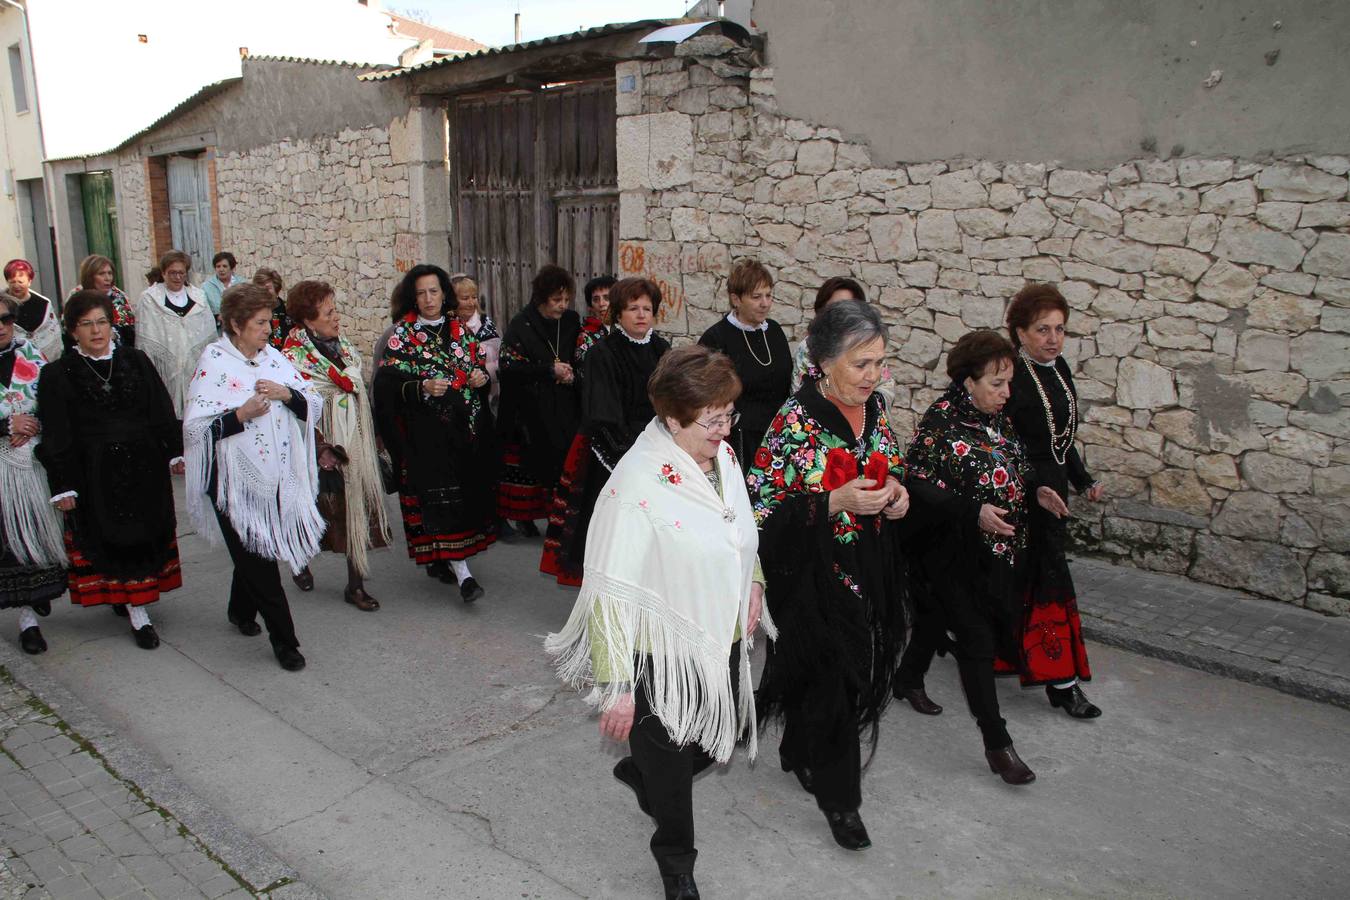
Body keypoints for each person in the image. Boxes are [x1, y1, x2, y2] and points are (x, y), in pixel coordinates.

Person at [545, 345, 771, 900]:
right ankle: (676, 864)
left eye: (729, 414)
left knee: (723, 736)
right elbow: (609, 589)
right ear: (672, 419)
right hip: (658, 649)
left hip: (718, 633)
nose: (725, 429)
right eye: (712, 419)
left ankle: (643, 770)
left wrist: (755, 581)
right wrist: (619, 687)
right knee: (671, 770)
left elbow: (738, 529)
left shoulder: (722, 457)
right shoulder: (637, 486)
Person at [747, 299, 911, 851]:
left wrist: (897, 493)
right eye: (861, 364)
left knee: (823, 674)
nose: (873, 376)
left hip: (867, 567)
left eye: (879, 363)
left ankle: (797, 749)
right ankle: (842, 802)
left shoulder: (876, 408)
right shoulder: (793, 422)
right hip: (810, 577)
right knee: (835, 682)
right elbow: (761, 510)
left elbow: (892, 462)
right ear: (823, 361)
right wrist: (832, 502)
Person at [894, 330, 1040, 785]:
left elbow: (1018, 466)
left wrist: (1039, 490)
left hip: (992, 554)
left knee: (934, 620)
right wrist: (972, 511)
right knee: (976, 640)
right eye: (997, 383)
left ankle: (907, 678)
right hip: (945, 552)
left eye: (1008, 382)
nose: (1006, 392)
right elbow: (917, 481)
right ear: (968, 382)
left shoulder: (997, 419)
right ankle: (998, 744)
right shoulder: (941, 422)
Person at [183, 283, 324, 672]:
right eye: (260, 322)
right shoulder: (214, 362)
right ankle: (286, 642)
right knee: (259, 560)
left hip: (276, 476)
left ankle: (240, 610)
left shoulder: (273, 358)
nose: (268, 329)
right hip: (233, 485)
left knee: (254, 551)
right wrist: (240, 415)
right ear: (235, 324)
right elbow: (195, 431)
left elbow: (313, 403)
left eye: (269, 321)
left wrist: (286, 394)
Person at [36, 291, 185, 650]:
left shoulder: (135, 360)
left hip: (144, 466)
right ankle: (133, 608)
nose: (96, 331)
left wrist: (174, 451)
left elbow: (160, 408)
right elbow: (57, 433)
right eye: (86, 324)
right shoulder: (58, 374)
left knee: (144, 534)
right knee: (110, 538)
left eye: (102, 322)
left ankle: (135, 604)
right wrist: (63, 483)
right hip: (94, 472)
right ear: (72, 331)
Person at [1003, 284, 1105, 718]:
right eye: (1043, 329)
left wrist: (1082, 480)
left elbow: (1061, 439)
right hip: (1021, 491)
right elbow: (1003, 444)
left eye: (1060, 329)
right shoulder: (1009, 375)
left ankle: (1038, 667)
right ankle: (1062, 681)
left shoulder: (1059, 368)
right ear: (1020, 332)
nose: (1053, 338)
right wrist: (1031, 487)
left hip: (1054, 491)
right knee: (1041, 581)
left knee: (1037, 580)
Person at [374, 264, 496, 602]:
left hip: (465, 433)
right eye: (421, 293)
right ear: (413, 298)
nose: (428, 299)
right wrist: (421, 387)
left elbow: (478, 369)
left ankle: (447, 560)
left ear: (444, 293)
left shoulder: (461, 330)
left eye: (433, 291)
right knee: (441, 502)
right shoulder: (402, 335)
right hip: (426, 437)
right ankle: (464, 576)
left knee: (461, 500)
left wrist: (481, 379)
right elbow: (385, 386)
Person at [540, 277, 670, 586]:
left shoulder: (662, 349)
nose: (641, 315)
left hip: (658, 448)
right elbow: (603, 411)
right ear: (618, 313)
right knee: (611, 531)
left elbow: (672, 400)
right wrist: (632, 455)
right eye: (633, 308)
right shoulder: (603, 353)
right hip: (612, 449)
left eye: (647, 308)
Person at [279, 280, 391, 610]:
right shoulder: (291, 359)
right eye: (328, 313)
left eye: (335, 309)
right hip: (317, 443)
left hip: (353, 440)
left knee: (355, 506)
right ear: (308, 320)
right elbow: (292, 408)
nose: (336, 317)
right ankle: (299, 559)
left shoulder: (344, 348)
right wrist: (319, 443)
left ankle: (355, 585)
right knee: (315, 507)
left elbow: (356, 387)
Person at [0, 294, 68, 654]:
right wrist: (5, 425)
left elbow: (54, 405)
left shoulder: (32, 356)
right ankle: (26, 617)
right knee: (9, 544)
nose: (1, 326)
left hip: (32, 464)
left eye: (6, 319)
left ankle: (32, 609)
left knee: (33, 540)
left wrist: (34, 423)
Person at [497, 264, 581, 535]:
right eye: (557, 300)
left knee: (563, 464)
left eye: (566, 299)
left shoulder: (571, 321)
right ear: (542, 298)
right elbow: (509, 367)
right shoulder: (522, 324)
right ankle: (525, 517)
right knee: (528, 468)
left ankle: (560, 519)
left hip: (563, 405)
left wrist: (572, 374)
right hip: (528, 408)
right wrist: (548, 370)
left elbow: (581, 354)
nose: (563, 305)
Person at [698, 259, 792, 471]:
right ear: (736, 299)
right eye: (756, 297)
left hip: (778, 434)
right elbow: (706, 396)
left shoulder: (774, 331)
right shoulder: (716, 338)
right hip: (739, 439)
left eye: (768, 295)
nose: (765, 303)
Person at [135, 250, 215, 420]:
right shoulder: (150, 299)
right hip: (164, 368)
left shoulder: (199, 298)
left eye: (181, 273)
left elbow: (208, 333)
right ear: (163, 272)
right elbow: (146, 338)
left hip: (194, 366)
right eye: (172, 273)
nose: (177, 277)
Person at [451, 274, 501, 416]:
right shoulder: (447, 327)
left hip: (487, 397)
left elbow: (500, 360)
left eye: (474, 297)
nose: (471, 303)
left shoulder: (486, 324)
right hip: (457, 398)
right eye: (465, 298)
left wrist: (484, 376)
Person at [4, 259, 61, 361]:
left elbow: (52, 333)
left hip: (45, 360)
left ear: (29, 281)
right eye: (12, 282)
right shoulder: (2, 304)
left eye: (20, 282)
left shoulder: (44, 303)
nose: (16, 286)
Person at [76, 255, 136, 349]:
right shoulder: (77, 299)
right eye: (101, 274)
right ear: (89, 277)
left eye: (110, 273)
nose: (107, 278)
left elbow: (129, 335)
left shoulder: (119, 298)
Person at [574, 275, 616, 374]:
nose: (601, 304)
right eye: (596, 299)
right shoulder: (585, 335)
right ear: (590, 307)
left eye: (607, 298)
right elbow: (583, 372)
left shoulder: (628, 329)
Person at [253, 267, 290, 349]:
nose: (263, 292)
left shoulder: (288, 309)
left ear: (276, 288)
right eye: (260, 288)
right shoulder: (253, 312)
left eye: (268, 288)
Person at [203, 251, 238, 320]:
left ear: (232, 268)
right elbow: (204, 311)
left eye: (225, 266)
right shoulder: (206, 287)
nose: (221, 269)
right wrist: (217, 317)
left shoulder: (242, 284)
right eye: (218, 266)